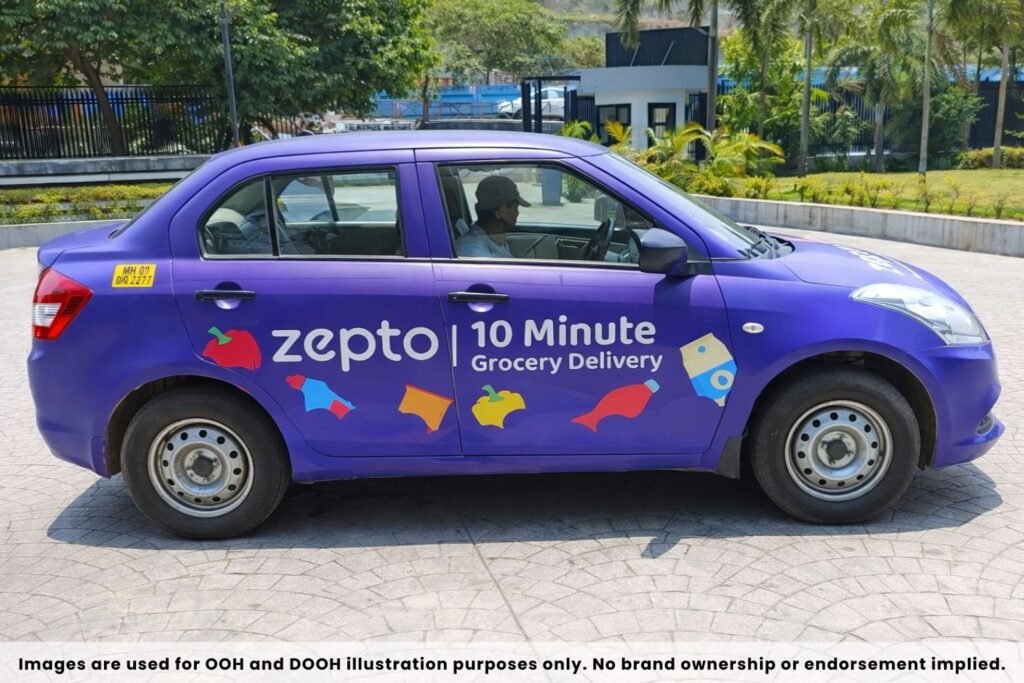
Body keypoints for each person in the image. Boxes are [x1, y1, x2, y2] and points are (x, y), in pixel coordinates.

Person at [455, 175, 531, 258]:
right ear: (502, 211)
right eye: (515, 208)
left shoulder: (495, 239)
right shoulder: (475, 252)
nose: (517, 213)